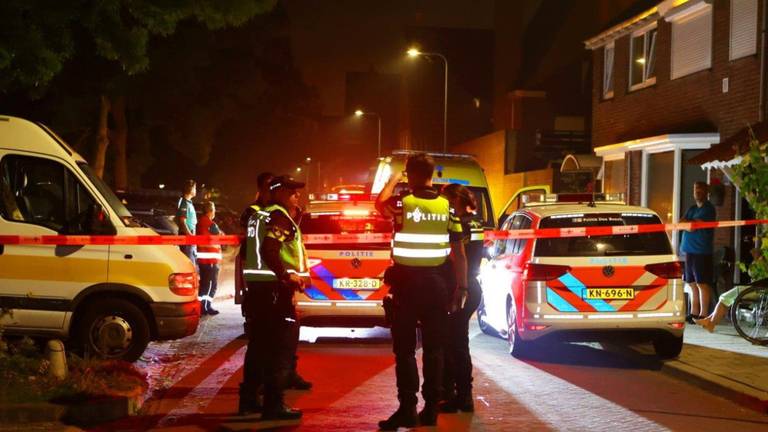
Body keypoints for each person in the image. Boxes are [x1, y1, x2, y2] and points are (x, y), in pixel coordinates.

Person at [375, 153, 467, 430]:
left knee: (404, 350)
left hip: (406, 284)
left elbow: (379, 203)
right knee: (434, 349)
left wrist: (393, 179)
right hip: (437, 285)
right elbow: (459, 254)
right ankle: (430, 410)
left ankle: (407, 408)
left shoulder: (402, 204)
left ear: (409, 174)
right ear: (433, 174)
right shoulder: (448, 208)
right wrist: (461, 287)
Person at [238, 175, 309, 420]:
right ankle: (274, 403)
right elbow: (270, 249)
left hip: (258, 289)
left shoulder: (258, 215)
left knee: (258, 347)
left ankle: (248, 399)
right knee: (282, 348)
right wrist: (286, 276)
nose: (296, 195)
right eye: (291, 191)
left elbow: (247, 250)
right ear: (278, 193)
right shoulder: (279, 217)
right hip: (276, 292)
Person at [439, 183, 484, 414]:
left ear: (456, 200)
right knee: (457, 341)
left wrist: (459, 288)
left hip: (460, 287)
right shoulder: (476, 221)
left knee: (455, 344)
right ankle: (458, 394)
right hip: (472, 285)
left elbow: (458, 256)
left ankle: (461, 395)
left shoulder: (459, 224)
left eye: (447, 201)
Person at [680, 181, 716, 321]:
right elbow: (681, 222)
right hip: (689, 251)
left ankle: (704, 314)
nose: (697, 192)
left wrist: (687, 224)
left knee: (702, 283)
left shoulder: (708, 209)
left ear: (706, 192)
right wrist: (686, 223)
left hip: (702, 251)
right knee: (691, 282)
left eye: (700, 190)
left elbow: (692, 226)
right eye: (696, 190)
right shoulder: (692, 208)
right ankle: (694, 313)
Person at [197, 201, 223, 315]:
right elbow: (220, 237)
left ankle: (202, 307)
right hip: (211, 259)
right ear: (211, 211)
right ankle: (207, 307)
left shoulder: (199, 223)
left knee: (204, 284)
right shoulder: (211, 224)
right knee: (212, 285)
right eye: (214, 209)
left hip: (202, 259)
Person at [176, 179, 198, 263]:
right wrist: (190, 236)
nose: (196, 190)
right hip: (187, 238)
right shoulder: (184, 203)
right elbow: (182, 222)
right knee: (188, 263)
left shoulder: (188, 203)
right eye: (195, 188)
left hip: (190, 237)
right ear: (191, 189)